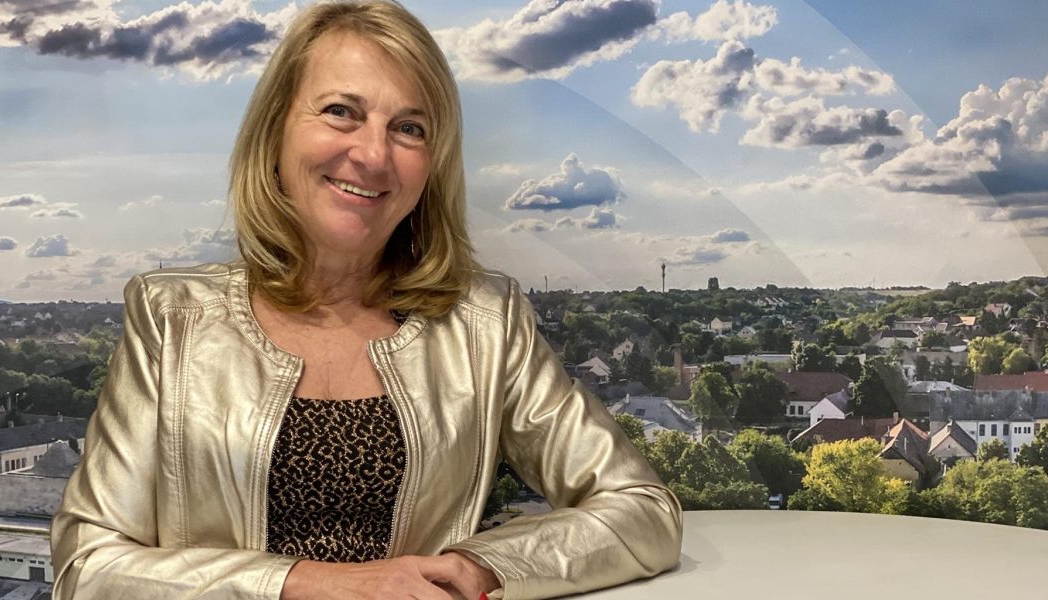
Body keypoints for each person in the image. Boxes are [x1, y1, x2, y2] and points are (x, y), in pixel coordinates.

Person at [49, 1, 682, 599]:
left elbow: (642, 510)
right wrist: (311, 584)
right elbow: (88, 566)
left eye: (408, 128)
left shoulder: (487, 322)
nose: (374, 154)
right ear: (275, 133)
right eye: (340, 112)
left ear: (432, 165)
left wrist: (479, 564)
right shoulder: (171, 317)